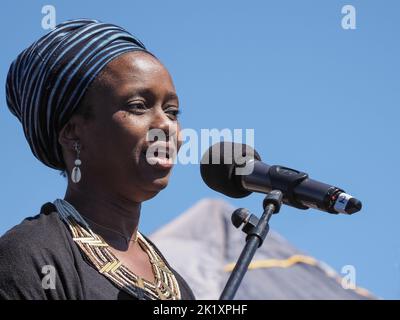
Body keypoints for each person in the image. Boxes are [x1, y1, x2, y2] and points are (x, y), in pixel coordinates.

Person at [0, 18, 195, 300]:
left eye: (172, 111)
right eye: (138, 106)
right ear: (72, 133)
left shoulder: (175, 285)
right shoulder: (32, 257)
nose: (166, 125)